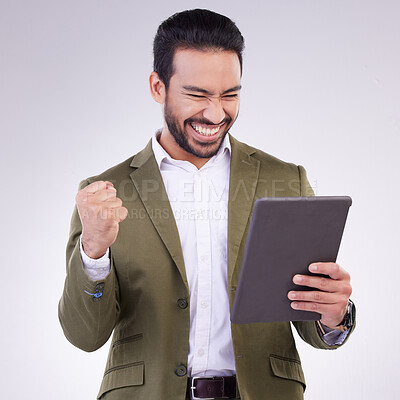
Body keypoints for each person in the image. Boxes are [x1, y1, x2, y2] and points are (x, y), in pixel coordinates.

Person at [58, 9, 355, 400]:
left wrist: (334, 315)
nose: (216, 114)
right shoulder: (106, 193)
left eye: (229, 95)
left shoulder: (285, 181)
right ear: (157, 87)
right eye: (197, 95)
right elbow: (85, 336)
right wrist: (93, 253)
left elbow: (311, 322)